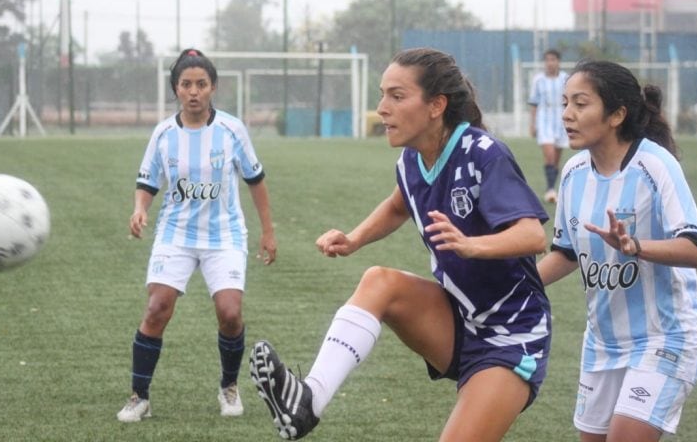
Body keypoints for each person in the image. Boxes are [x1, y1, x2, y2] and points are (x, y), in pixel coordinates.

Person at [248, 47, 552, 441]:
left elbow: (533, 235)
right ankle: (308, 401)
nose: (382, 108)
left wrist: (471, 244)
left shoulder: (482, 153)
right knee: (380, 281)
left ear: (435, 106)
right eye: (382, 95)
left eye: (397, 95)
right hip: (459, 319)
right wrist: (354, 238)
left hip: (511, 336)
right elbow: (398, 205)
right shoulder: (411, 161)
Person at [537, 60, 697, 442]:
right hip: (602, 342)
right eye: (565, 103)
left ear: (616, 114)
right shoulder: (574, 172)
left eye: (580, 104)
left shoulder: (656, 165)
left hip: (665, 337)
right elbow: (565, 252)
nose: (567, 114)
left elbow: (695, 249)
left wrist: (637, 246)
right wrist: (517, 284)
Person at [116, 48, 277, 422]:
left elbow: (256, 180)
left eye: (201, 84)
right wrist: (140, 208)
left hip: (225, 236)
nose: (194, 91)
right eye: (186, 84)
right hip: (176, 234)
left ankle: (229, 387)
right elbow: (147, 182)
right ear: (176, 89)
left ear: (213, 88)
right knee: (157, 309)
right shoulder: (163, 133)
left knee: (230, 314)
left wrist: (268, 232)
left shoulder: (232, 130)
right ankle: (139, 396)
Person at [529, 48, 569, 203]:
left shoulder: (566, 78)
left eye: (553, 59)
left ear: (558, 61)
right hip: (544, 120)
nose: (550, 63)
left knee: (556, 158)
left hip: (561, 120)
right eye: (547, 60)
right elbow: (533, 103)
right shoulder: (538, 80)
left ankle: (551, 187)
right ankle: (551, 190)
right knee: (549, 154)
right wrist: (532, 124)